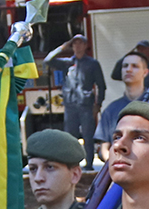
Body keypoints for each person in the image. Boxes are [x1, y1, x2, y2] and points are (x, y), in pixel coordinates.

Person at [45, 34, 106, 171]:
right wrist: (63, 47)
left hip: (86, 106)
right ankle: (72, 164)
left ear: (85, 46)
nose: (77, 46)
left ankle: (88, 164)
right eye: (75, 44)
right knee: (70, 138)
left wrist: (98, 104)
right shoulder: (67, 63)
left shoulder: (93, 64)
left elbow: (101, 85)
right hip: (70, 106)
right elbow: (48, 60)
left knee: (88, 136)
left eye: (80, 43)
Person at [95, 52, 149, 158]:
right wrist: (116, 163)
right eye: (125, 66)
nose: (128, 69)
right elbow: (104, 148)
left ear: (145, 72)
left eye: (135, 66)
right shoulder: (111, 110)